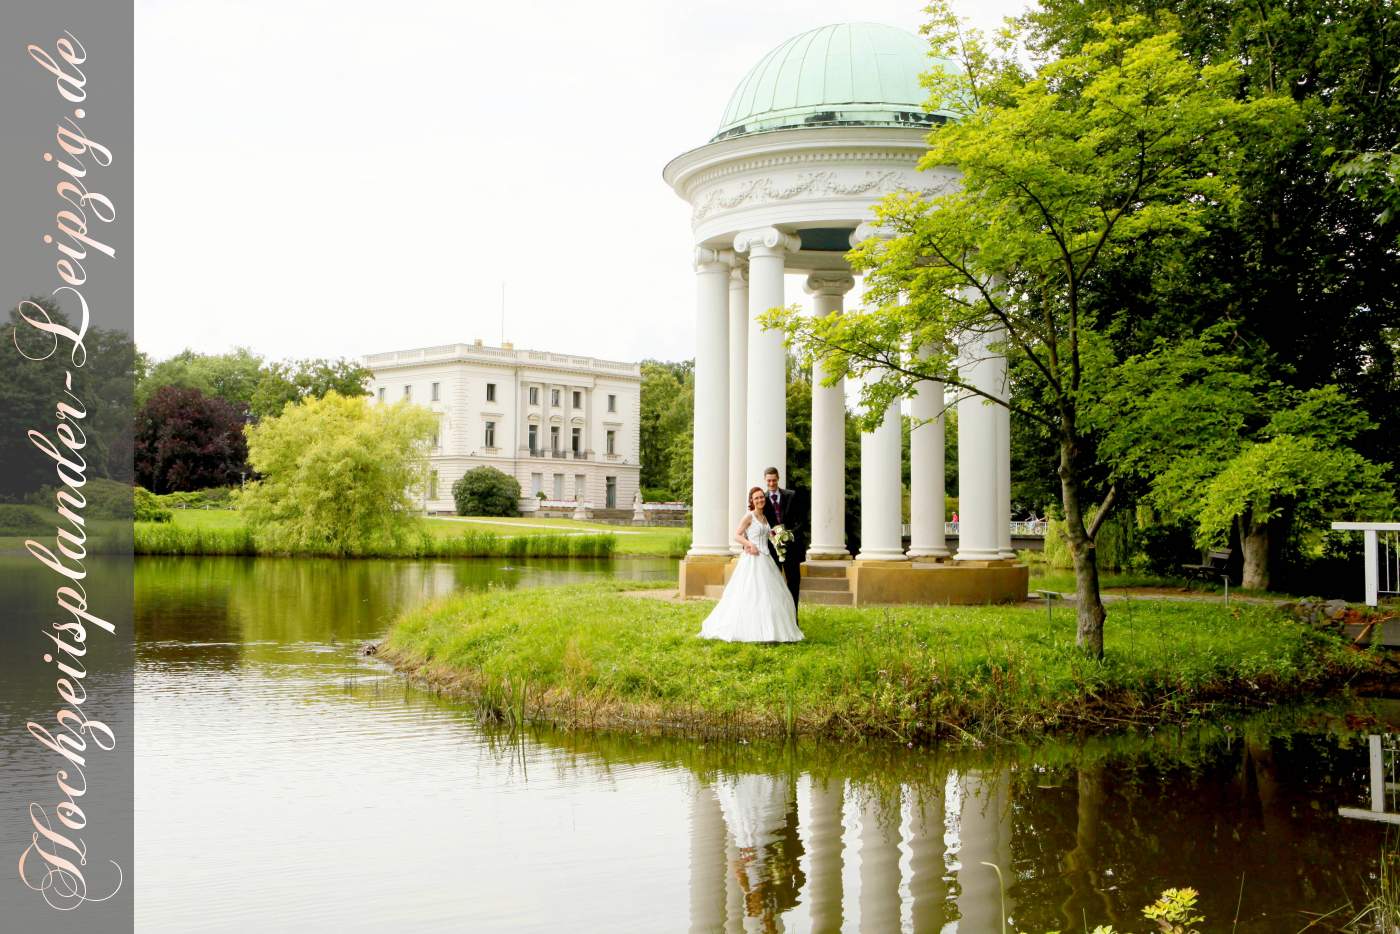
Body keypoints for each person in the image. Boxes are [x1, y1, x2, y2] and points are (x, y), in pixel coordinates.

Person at [698, 487, 803, 643]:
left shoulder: (765, 518)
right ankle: (747, 628)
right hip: (753, 558)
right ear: (752, 501)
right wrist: (749, 544)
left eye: (761, 497)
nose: (760, 500)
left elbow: (769, 535)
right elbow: (737, 535)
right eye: (756, 498)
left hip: (766, 558)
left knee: (770, 594)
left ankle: (772, 629)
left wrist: (779, 540)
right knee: (751, 593)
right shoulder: (749, 516)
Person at [760, 467, 808, 611]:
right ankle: (777, 618)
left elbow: (802, 520)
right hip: (772, 551)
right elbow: (757, 521)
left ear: (778, 479)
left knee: (794, 583)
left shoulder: (792, 495)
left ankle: (794, 618)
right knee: (773, 585)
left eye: (774, 480)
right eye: (769, 480)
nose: (772, 483)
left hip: (792, 549)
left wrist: (789, 535)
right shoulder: (762, 499)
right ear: (765, 480)